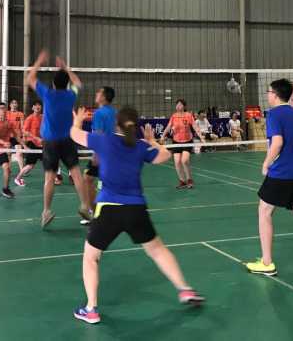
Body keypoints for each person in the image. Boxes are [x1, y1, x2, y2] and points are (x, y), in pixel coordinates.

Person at [69, 106, 204, 324]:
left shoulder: (104, 140)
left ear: (116, 124)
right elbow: (165, 155)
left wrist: (78, 121)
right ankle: (185, 289)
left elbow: (74, 135)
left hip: (109, 208)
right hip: (136, 209)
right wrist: (152, 141)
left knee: (91, 257)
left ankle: (91, 309)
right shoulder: (140, 146)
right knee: (158, 251)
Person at [245, 79, 293, 280]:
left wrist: (266, 163)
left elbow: (277, 142)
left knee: (264, 211)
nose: (267, 95)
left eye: (269, 92)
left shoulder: (274, 114)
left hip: (282, 173)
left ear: (275, 94)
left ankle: (266, 263)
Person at [27, 49, 90, 228]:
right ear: (66, 84)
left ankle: (46, 211)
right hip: (67, 141)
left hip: (50, 143)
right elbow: (78, 83)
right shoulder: (70, 95)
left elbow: (30, 78)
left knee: (49, 178)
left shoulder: (48, 94)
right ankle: (84, 206)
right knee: (76, 174)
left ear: (54, 84)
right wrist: (66, 67)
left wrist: (39, 61)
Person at [81, 86, 117, 225]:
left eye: (99, 92)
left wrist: (96, 154)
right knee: (97, 181)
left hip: (103, 152)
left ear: (104, 97)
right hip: (113, 151)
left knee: (88, 179)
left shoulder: (99, 113)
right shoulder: (114, 111)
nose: (96, 94)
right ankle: (98, 213)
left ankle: (96, 215)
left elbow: (99, 135)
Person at [160, 99, 205, 189]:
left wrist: (201, 137)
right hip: (176, 142)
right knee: (177, 162)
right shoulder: (174, 116)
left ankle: (189, 179)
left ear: (184, 106)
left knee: (184, 160)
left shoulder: (188, 115)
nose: (178, 106)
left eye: (180, 104)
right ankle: (182, 181)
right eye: (177, 104)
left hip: (187, 141)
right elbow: (168, 127)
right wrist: (162, 136)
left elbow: (195, 126)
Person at [14, 101, 43, 186]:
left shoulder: (43, 117)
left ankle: (55, 177)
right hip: (32, 143)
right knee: (30, 165)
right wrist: (35, 138)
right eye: (35, 105)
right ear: (33, 108)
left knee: (50, 160)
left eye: (39, 105)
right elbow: (24, 131)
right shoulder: (30, 118)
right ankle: (17, 178)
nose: (37, 107)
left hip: (41, 144)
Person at [6, 99, 27, 186]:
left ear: (17, 105)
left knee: (19, 153)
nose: (14, 104)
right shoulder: (6, 113)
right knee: (8, 154)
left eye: (15, 103)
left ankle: (22, 170)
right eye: (13, 103)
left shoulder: (20, 114)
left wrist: (24, 136)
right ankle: (8, 170)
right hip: (8, 136)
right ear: (10, 105)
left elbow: (22, 126)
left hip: (17, 136)